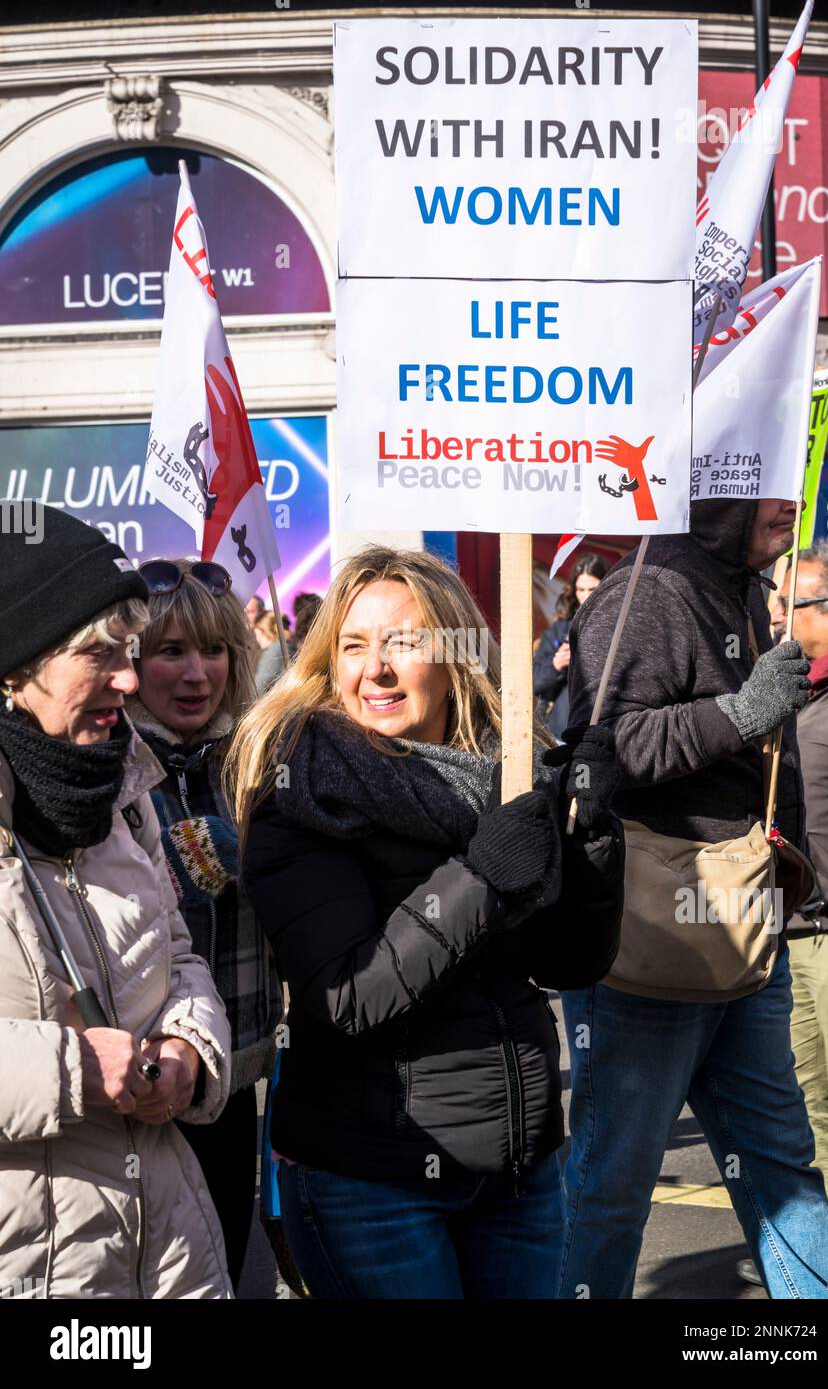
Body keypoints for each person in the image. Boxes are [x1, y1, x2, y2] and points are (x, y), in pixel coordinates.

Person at [228, 545, 624, 1300]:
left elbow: (569, 962)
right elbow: (349, 995)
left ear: (456, 658)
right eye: (352, 645)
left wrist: (593, 837)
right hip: (372, 1186)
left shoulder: (507, 772)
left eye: (403, 642)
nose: (374, 668)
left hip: (522, 1174)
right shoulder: (302, 789)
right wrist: (478, 876)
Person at [558, 497, 828, 1300]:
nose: (788, 504)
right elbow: (606, 747)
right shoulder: (646, 590)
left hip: (742, 926)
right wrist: (741, 711)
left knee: (780, 1163)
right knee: (615, 1180)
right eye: (763, 486)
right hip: (656, 931)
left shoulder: (743, 583)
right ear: (711, 487)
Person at [0, 508, 233, 1299]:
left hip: (165, 1251)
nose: (129, 681)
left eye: (129, 652)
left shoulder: (122, 788)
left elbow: (179, 954)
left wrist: (187, 1052)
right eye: (98, 655)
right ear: (11, 667)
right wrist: (69, 1068)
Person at [126, 557, 284, 1291]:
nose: (197, 674)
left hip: (235, 1071)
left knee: (223, 1258)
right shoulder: (101, 766)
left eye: (214, 650)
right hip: (130, 1082)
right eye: (171, 651)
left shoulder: (256, 758)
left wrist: (260, 854)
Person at [734, 539, 828, 1284]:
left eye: (790, 603)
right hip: (796, 932)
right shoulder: (791, 690)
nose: (775, 614)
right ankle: (825, 1250)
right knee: (806, 1109)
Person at [534, 554, 609, 738]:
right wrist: (556, 665)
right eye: (580, 589)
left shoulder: (621, 624)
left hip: (608, 728)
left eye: (592, 589)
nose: (585, 596)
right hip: (564, 731)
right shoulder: (560, 629)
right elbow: (536, 683)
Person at [254, 610, 291, 697]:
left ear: (263, 631)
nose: (256, 639)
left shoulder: (274, 651)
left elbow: (260, 686)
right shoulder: (284, 646)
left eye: (256, 634)